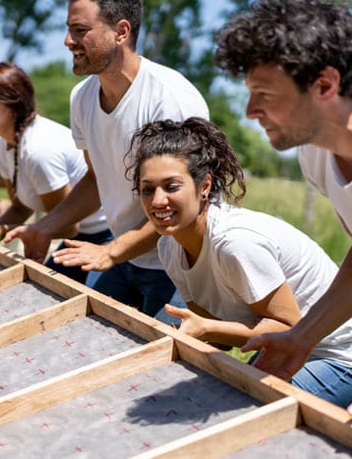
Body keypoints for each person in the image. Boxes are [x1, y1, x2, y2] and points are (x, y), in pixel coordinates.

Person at [3, 0, 209, 319]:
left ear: (121, 32)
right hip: (123, 256)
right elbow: (97, 179)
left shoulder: (169, 100)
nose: (68, 41)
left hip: (178, 265)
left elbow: (183, 205)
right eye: (69, 30)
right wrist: (44, 228)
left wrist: (112, 251)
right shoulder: (82, 98)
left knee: (159, 371)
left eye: (80, 31)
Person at [126, 117, 352, 408]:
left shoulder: (235, 243)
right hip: (284, 349)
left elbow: (288, 328)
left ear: (204, 186)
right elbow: (214, 329)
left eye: (171, 186)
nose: (158, 201)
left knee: (250, 412)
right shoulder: (169, 247)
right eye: (147, 189)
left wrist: (205, 331)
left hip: (336, 354)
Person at [213, 0, 352, 395]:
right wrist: (302, 337)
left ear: (325, 84)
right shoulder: (315, 153)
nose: (250, 111)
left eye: (266, 94)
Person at [0, 61, 112, 284]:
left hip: (105, 235)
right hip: (76, 234)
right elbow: (20, 206)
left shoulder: (39, 151)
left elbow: (67, 225)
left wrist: (10, 229)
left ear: (13, 103)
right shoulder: (0, 143)